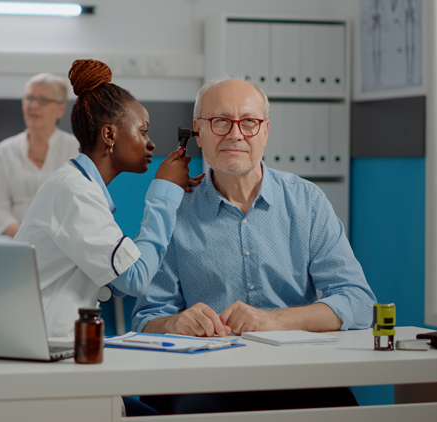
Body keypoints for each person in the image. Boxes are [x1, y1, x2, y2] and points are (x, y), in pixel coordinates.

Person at [131, 77, 377, 414]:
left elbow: (359, 302)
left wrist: (275, 321)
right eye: (220, 122)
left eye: (249, 122)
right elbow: (147, 318)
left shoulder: (307, 202)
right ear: (198, 132)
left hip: (300, 375)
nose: (235, 134)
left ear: (265, 132)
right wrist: (172, 324)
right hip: (209, 380)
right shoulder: (175, 212)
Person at [14, 59, 204, 339]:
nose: (151, 143)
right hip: (37, 341)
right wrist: (163, 193)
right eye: (143, 131)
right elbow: (135, 279)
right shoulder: (75, 192)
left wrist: (168, 189)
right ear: (109, 134)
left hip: (43, 338)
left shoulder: (78, 186)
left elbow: (112, 279)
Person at [0, 73, 79, 242]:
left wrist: (52, 236)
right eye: (29, 98)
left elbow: (83, 206)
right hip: (16, 237)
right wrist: (25, 233)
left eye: (43, 100)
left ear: (61, 109)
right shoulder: (5, 151)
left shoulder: (76, 149)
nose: (33, 105)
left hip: (62, 239)